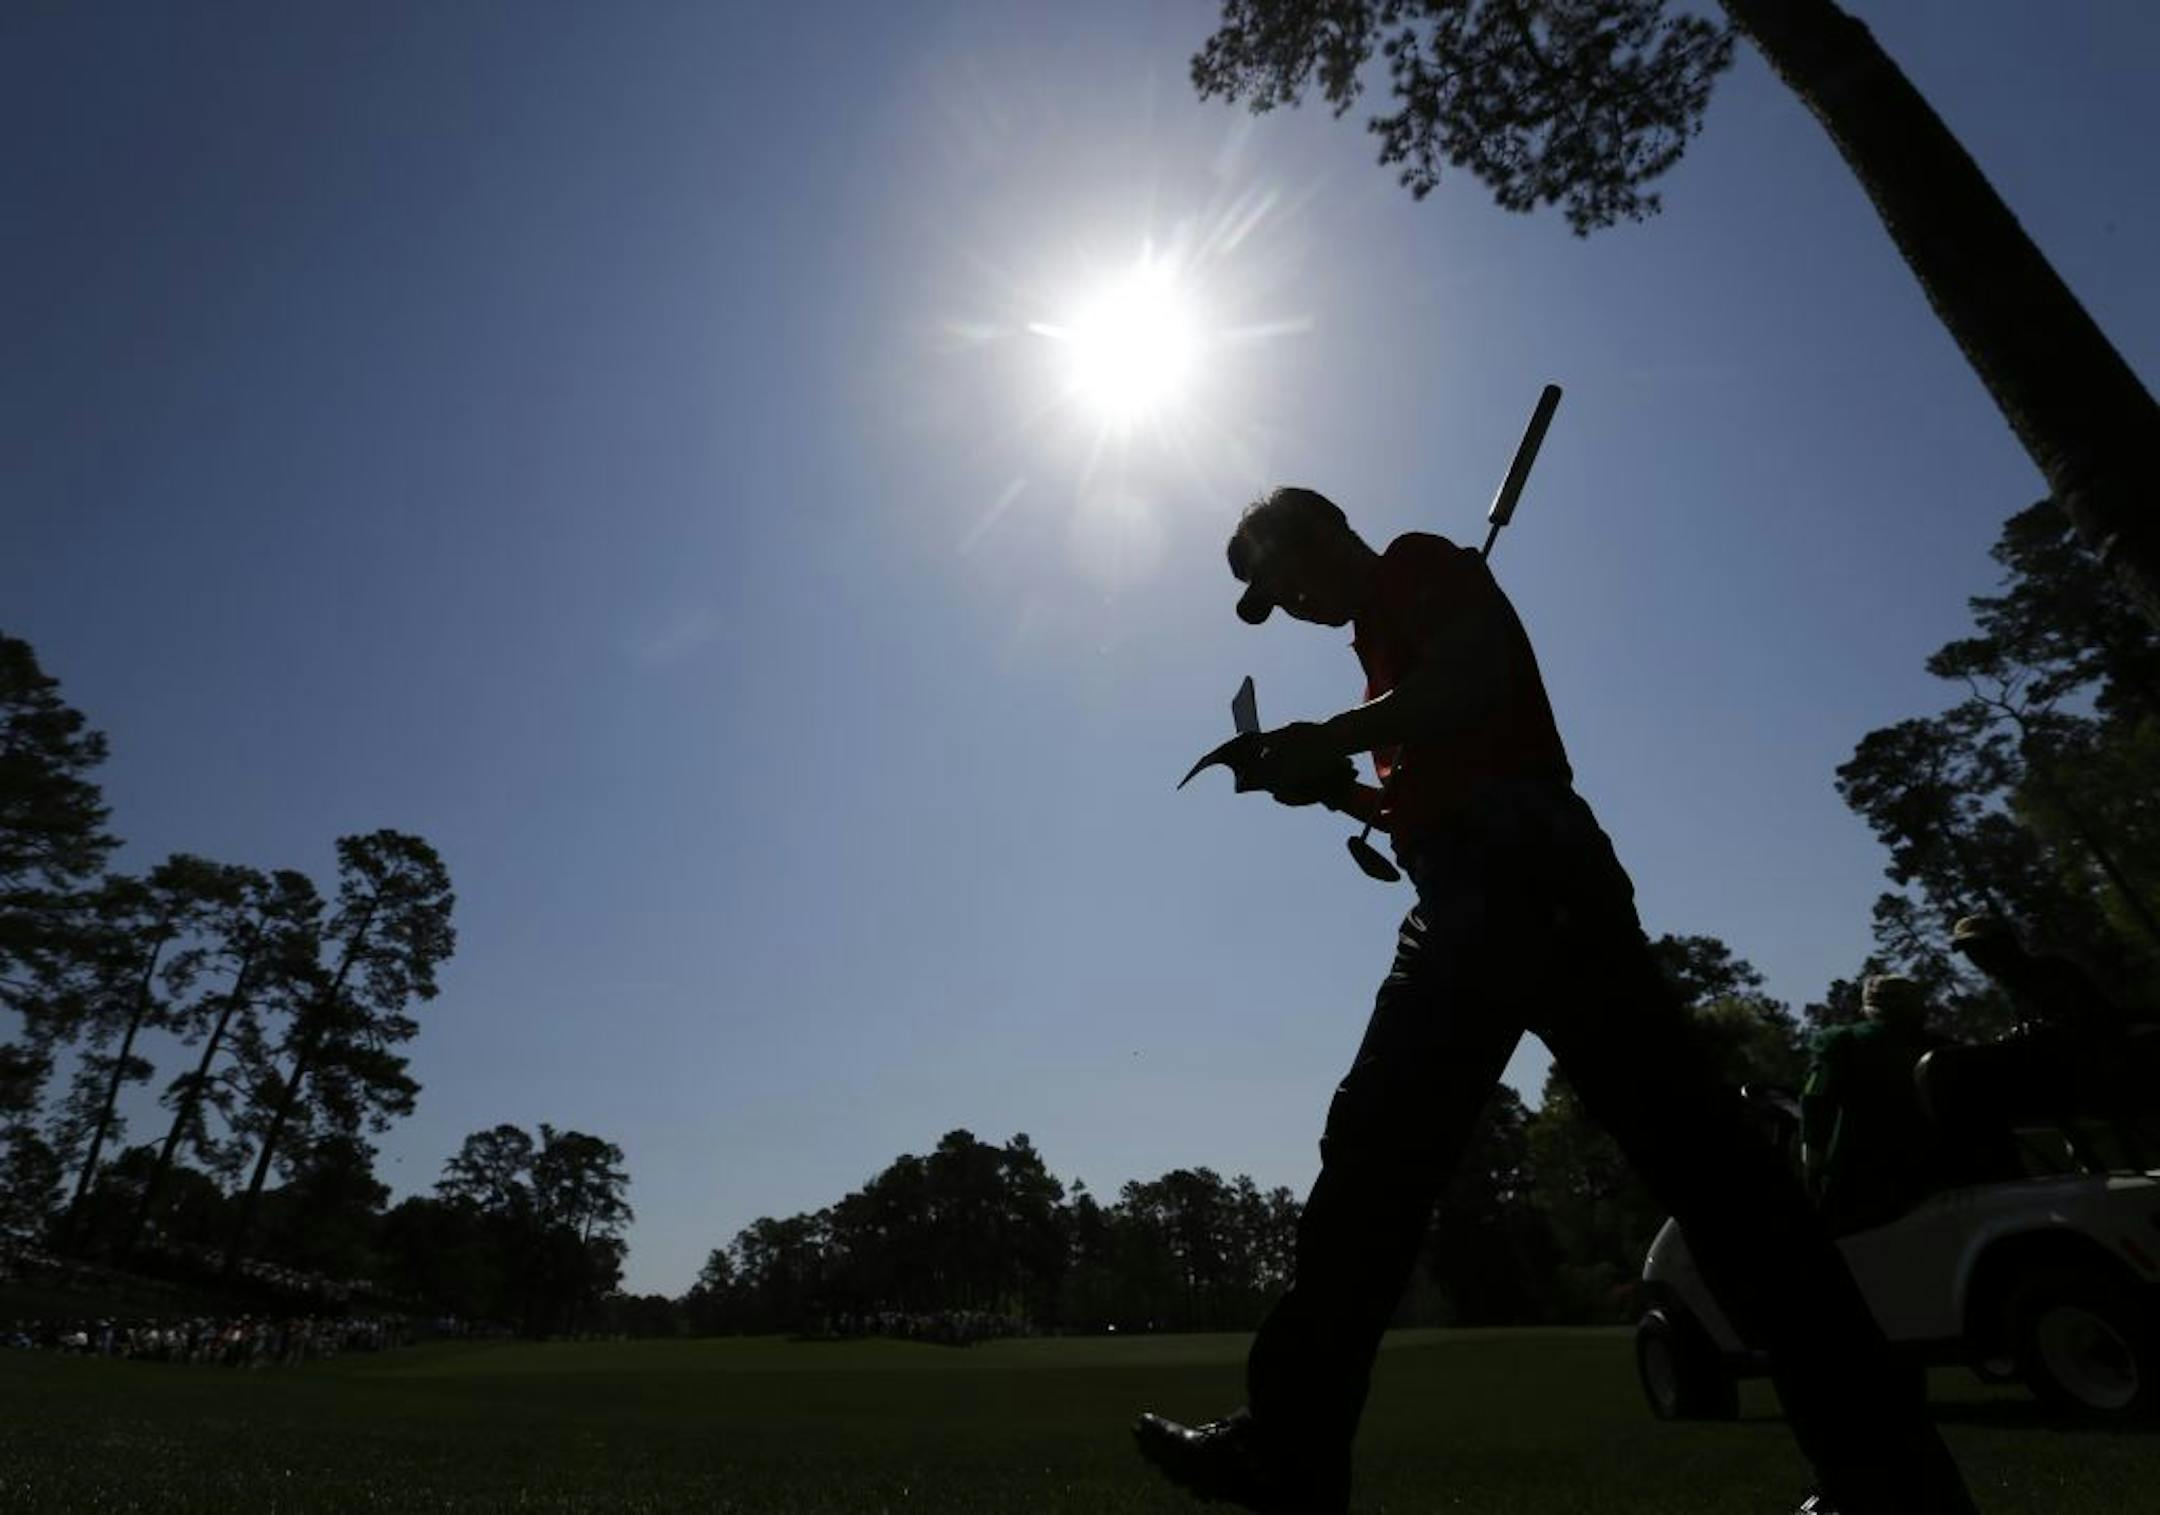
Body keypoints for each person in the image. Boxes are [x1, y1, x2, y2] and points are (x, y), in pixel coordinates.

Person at [1132, 487, 1973, 1515]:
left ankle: (1887, 1479)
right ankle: (1289, 1448)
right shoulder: (1382, 647)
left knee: (1698, 1178)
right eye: (1275, 600)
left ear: (1323, 535)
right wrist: (1337, 786)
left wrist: (1338, 735)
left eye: (1287, 578)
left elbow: (1475, 683)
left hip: (1524, 873)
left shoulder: (1418, 563)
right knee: (1385, 1164)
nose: (1294, 604)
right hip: (1472, 887)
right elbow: (1425, 784)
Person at [1798, 975, 1945, 1231]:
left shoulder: (1842, 1043)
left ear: (1868, 1007)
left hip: (1860, 1188)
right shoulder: (1944, 1050)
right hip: (1939, 1181)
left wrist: (1812, 1166)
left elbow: (1815, 1102)